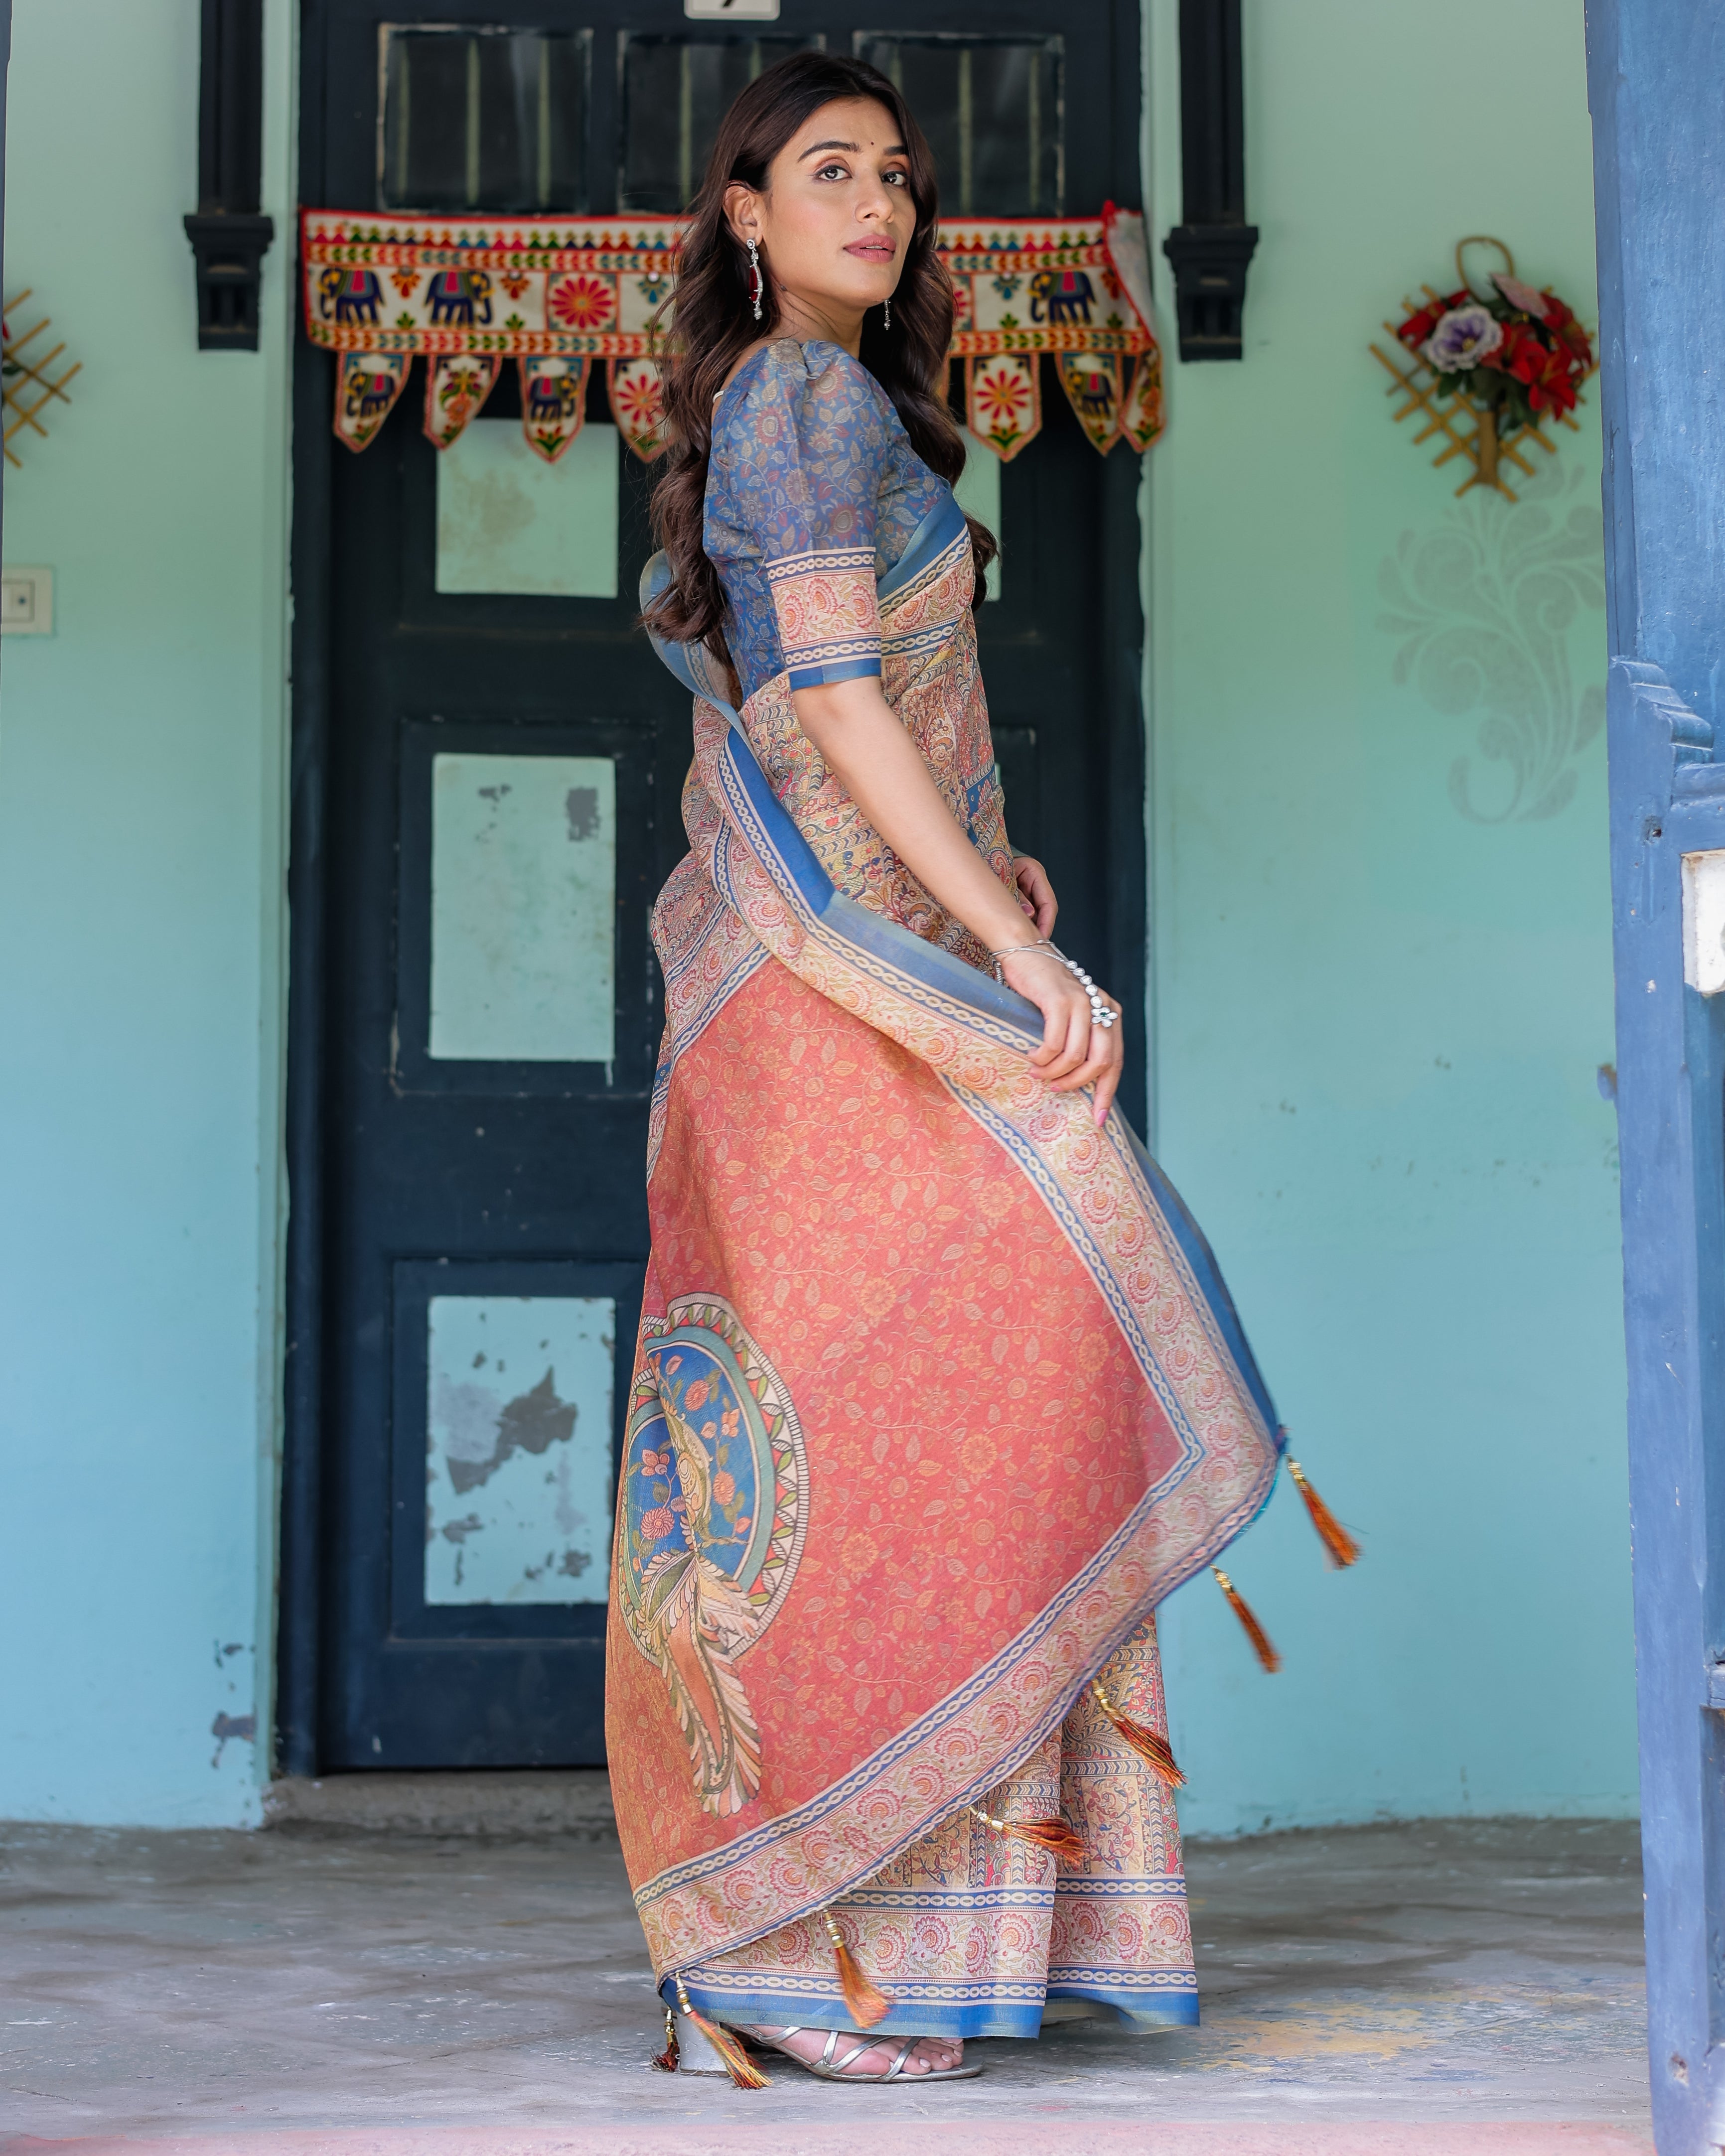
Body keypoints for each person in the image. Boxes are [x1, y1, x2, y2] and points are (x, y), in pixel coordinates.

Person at [605, 49, 1281, 2087]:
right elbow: (825, 699)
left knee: (920, 1407)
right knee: (924, 1400)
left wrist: (984, 877)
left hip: (835, 968)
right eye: (830, 172)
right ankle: (806, 1949)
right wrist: (1010, 937)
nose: (878, 204)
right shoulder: (797, 397)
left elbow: (864, 713)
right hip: (833, 988)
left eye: (897, 175)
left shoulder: (818, 401)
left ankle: (895, 1934)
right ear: (746, 209)